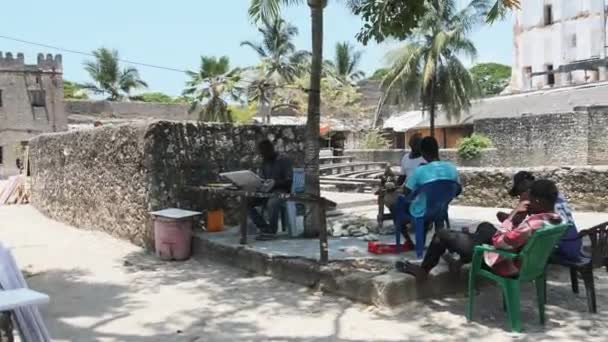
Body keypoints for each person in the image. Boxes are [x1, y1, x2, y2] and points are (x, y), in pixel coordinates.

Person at [398, 179, 563, 279]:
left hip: (504, 262)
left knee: (442, 234)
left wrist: (513, 216)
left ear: (539, 202)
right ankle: (460, 257)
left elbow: (499, 242)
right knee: (485, 226)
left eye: (530, 199)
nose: (527, 202)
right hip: (523, 260)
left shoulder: (531, 225)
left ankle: (424, 270)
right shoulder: (555, 221)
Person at [498, 171, 582, 263]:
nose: (521, 195)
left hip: (561, 250)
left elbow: (516, 223)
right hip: (573, 245)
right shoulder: (552, 193)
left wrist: (510, 216)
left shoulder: (530, 198)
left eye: (519, 192)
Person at [249, 139, 293, 240]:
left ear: (271, 150)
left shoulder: (284, 160)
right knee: (247, 202)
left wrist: (275, 182)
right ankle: (265, 228)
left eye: (264, 153)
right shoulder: (265, 161)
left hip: (282, 190)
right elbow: (263, 177)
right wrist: (260, 183)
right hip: (267, 191)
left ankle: (272, 231)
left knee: (272, 203)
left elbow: (289, 181)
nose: (263, 155)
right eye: (261, 153)